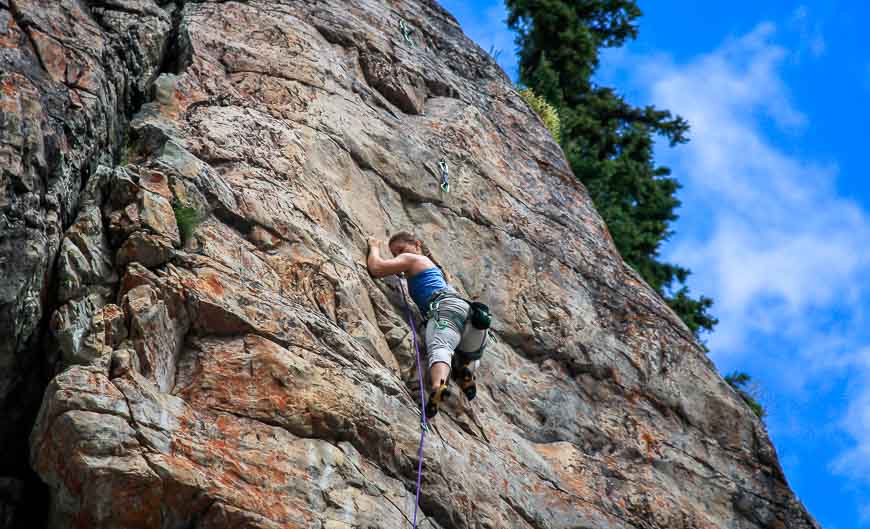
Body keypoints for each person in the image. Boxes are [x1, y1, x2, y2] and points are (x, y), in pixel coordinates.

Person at [367, 231, 483, 418]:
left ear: (417, 245)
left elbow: (377, 268)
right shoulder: (436, 271)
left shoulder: (412, 259)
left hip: (444, 308)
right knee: (464, 349)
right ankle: (465, 370)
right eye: (395, 254)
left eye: (400, 250)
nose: (399, 256)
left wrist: (374, 247)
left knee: (441, 346)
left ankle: (439, 386)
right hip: (467, 312)